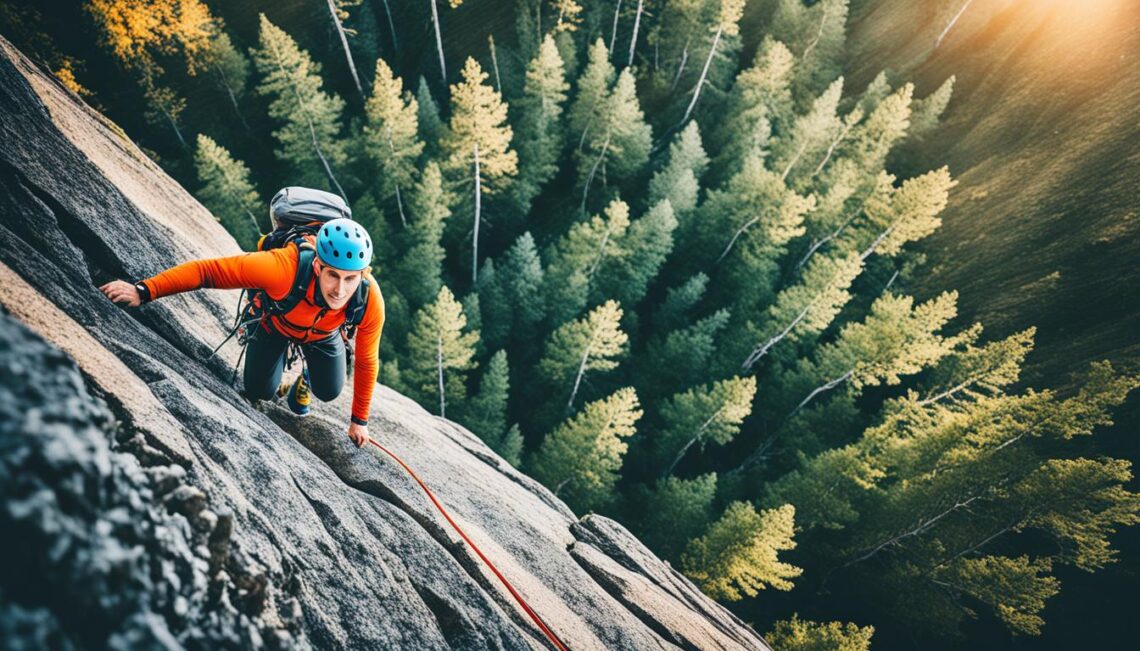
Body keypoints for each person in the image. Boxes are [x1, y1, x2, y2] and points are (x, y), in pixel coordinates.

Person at [98, 217, 385, 449]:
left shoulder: (369, 299)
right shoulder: (282, 268)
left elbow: (367, 360)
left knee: (330, 390)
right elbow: (207, 272)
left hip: (323, 335)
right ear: (318, 265)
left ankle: (306, 376)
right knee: (259, 391)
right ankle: (286, 360)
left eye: (351, 279)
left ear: (363, 274)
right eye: (333, 275)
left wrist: (359, 420)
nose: (340, 289)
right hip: (274, 324)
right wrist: (144, 291)